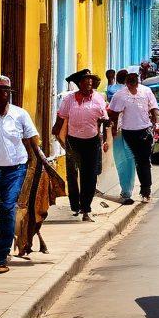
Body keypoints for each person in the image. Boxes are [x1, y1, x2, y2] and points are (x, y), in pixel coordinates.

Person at [0, 75, 61, 273]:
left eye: (6, 93)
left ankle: (1, 258)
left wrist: (45, 164)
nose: (3, 97)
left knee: (8, 210)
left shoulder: (20, 115)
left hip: (15, 170)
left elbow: (33, 141)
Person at [52, 69, 108, 221]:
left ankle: (86, 209)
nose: (89, 82)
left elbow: (103, 118)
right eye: (86, 80)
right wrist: (56, 132)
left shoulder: (98, 98)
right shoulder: (69, 100)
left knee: (89, 176)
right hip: (73, 141)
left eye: (91, 80)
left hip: (92, 141)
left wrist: (104, 138)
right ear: (79, 84)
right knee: (72, 174)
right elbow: (61, 118)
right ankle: (75, 205)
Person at [108, 70, 159, 202]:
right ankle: (128, 190)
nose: (133, 86)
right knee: (131, 161)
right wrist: (114, 130)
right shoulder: (120, 95)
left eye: (134, 82)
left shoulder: (146, 91)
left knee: (143, 161)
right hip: (127, 133)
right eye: (130, 83)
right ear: (126, 83)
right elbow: (113, 114)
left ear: (137, 82)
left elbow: (154, 108)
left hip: (144, 131)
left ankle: (146, 190)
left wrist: (157, 123)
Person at [108, 70, 136, 204]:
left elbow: (111, 112)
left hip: (118, 131)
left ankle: (125, 190)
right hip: (130, 129)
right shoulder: (132, 93)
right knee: (129, 159)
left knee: (120, 159)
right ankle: (127, 190)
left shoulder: (113, 90)